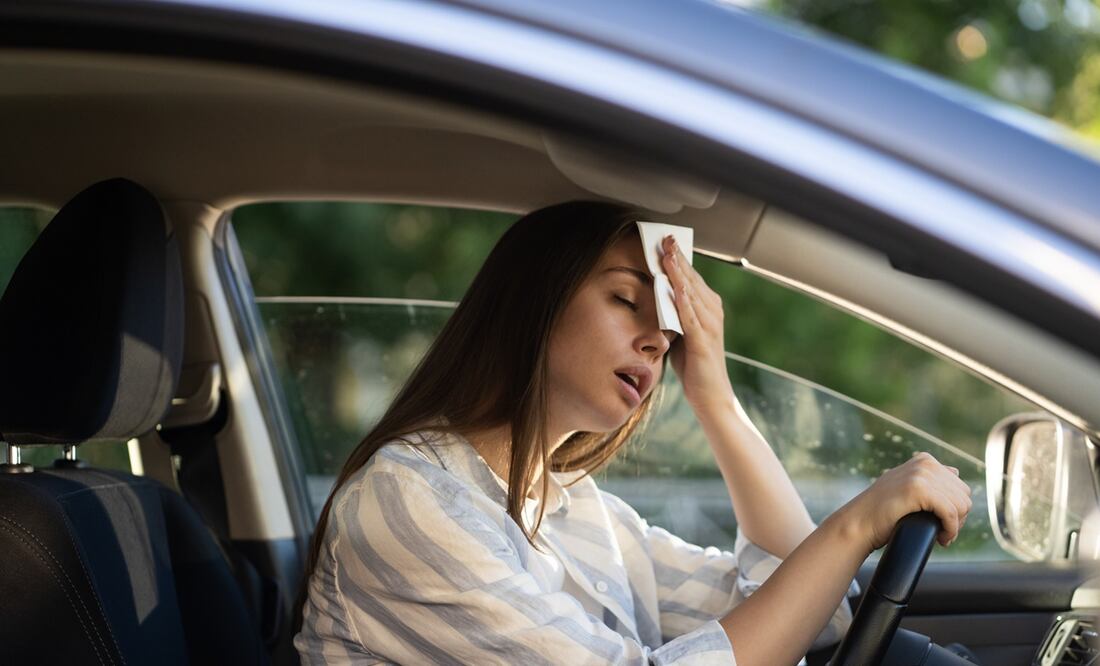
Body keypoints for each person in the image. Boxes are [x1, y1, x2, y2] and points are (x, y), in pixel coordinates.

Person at [294, 201, 972, 665]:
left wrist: (715, 396)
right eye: (624, 299)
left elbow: (812, 616)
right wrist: (856, 525)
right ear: (535, 300)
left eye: (669, 329)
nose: (656, 341)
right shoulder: (406, 499)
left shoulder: (578, 511)